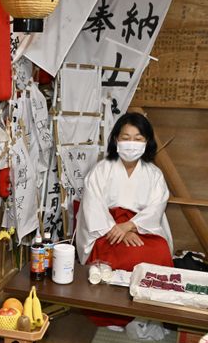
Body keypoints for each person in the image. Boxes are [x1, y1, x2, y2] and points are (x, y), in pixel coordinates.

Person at [74, 112, 173, 270]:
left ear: (147, 141)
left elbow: (156, 209)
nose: (131, 143)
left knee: (160, 250)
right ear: (116, 139)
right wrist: (119, 230)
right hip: (107, 231)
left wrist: (130, 225)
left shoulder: (154, 174)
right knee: (128, 256)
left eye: (138, 139)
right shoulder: (100, 170)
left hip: (142, 228)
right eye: (126, 138)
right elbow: (93, 208)